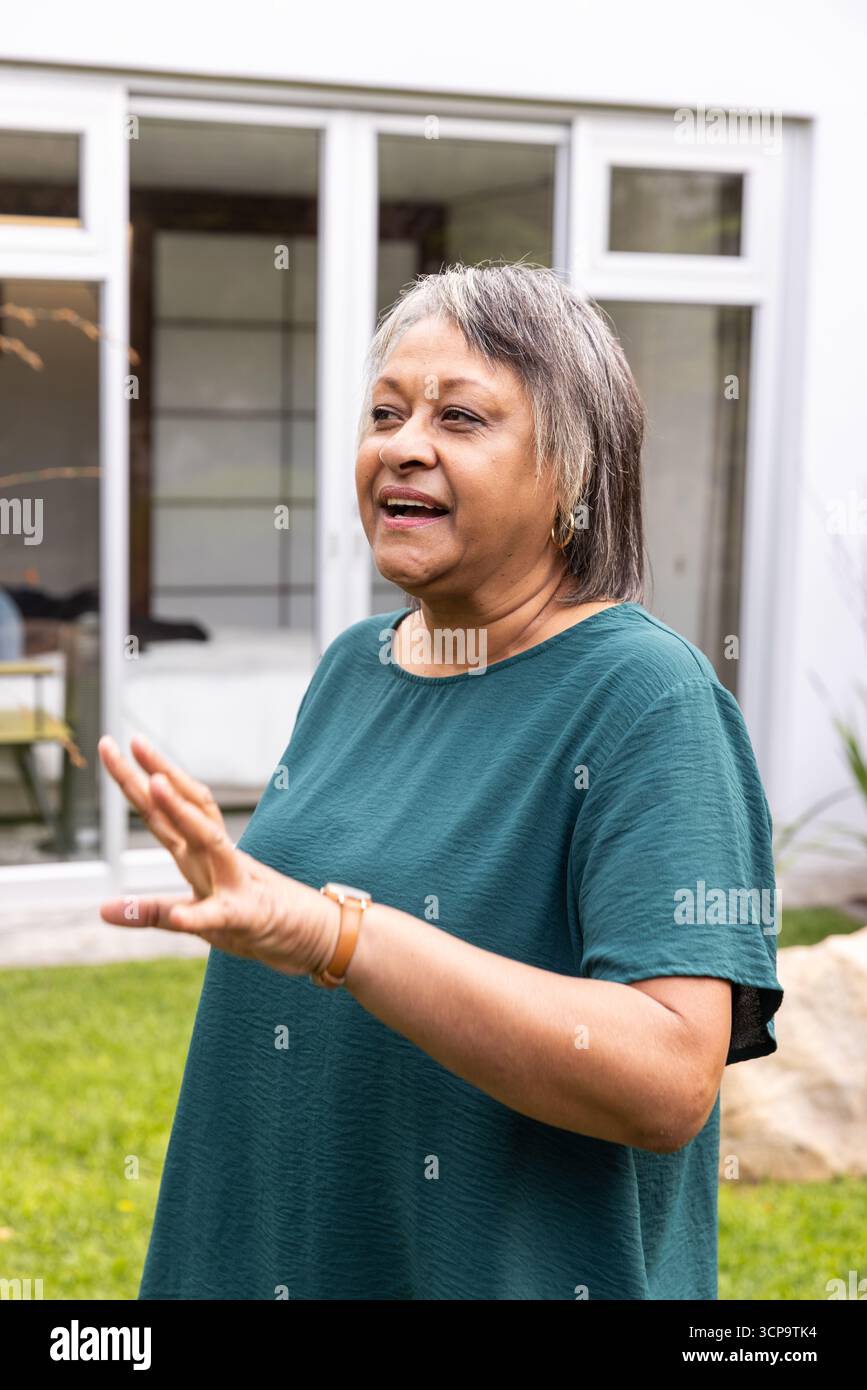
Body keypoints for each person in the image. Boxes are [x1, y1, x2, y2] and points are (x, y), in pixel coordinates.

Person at [98, 261, 783, 1300]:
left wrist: (343, 937)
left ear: (576, 476)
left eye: (461, 417)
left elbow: (669, 1078)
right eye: (385, 412)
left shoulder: (647, 699)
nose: (402, 444)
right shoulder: (354, 668)